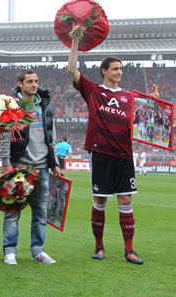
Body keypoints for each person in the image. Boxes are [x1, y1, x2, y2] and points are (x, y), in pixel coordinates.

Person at [68, 32, 157, 265]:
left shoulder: (131, 98)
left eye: (121, 69)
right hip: (101, 155)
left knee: (126, 200)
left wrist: (154, 104)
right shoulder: (94, 92)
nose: (120, 72)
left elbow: (148, 124)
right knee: (100, 200)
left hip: (124, 156)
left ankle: (129, 250)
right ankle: (99, 247)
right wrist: (75, 41)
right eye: (115, 69)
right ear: (104, 71)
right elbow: (71, 69)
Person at [0, 69, 61, 265]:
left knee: (40, 212)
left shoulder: (45, 106)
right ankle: (10, 251)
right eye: (30, 82)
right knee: (13, 211)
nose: (34, 85)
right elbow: (5, 137)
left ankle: (38, 250)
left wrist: (56, 162)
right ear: (20, 84)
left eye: (36, 81)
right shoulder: (12, 107)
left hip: (42, 167)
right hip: (20, 167)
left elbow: (52, 137)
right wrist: (6, 164)